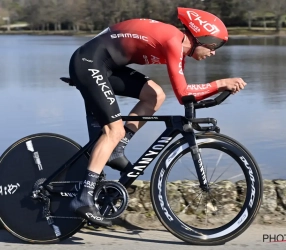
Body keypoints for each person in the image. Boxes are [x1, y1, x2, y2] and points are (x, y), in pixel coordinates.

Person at [69, 7, 247, 227]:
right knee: (113, 130)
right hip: (89, 63)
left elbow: (184, 92)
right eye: (214, 45)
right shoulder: (173, 40)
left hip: (107, 66)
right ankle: (83, 198)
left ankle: (116, 148)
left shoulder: (175, 45)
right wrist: (219, 84)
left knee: (155, 95)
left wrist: (215, 90)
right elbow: (183, 94)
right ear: (201, 37)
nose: (214, 52)